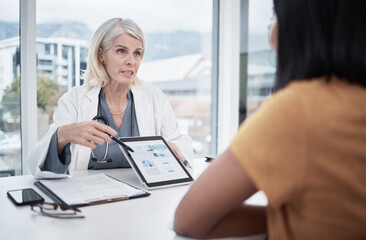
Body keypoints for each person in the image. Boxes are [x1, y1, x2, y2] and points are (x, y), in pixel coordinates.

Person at [174, 0, 366, 239]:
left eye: (274, 18)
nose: (271, 34)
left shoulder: (298, 109)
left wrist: (284, 217)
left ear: (299, 26)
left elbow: (188, 220)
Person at [28, 18, 193, 179]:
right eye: (121, 51)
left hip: (143, 196)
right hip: (91, 196)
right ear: (101, 55)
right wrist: (62, 135)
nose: (131, 61)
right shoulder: (76, 99)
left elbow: (181, 141)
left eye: (137, 53)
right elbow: (36, 163)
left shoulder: (154, 97)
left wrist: (172, 150)